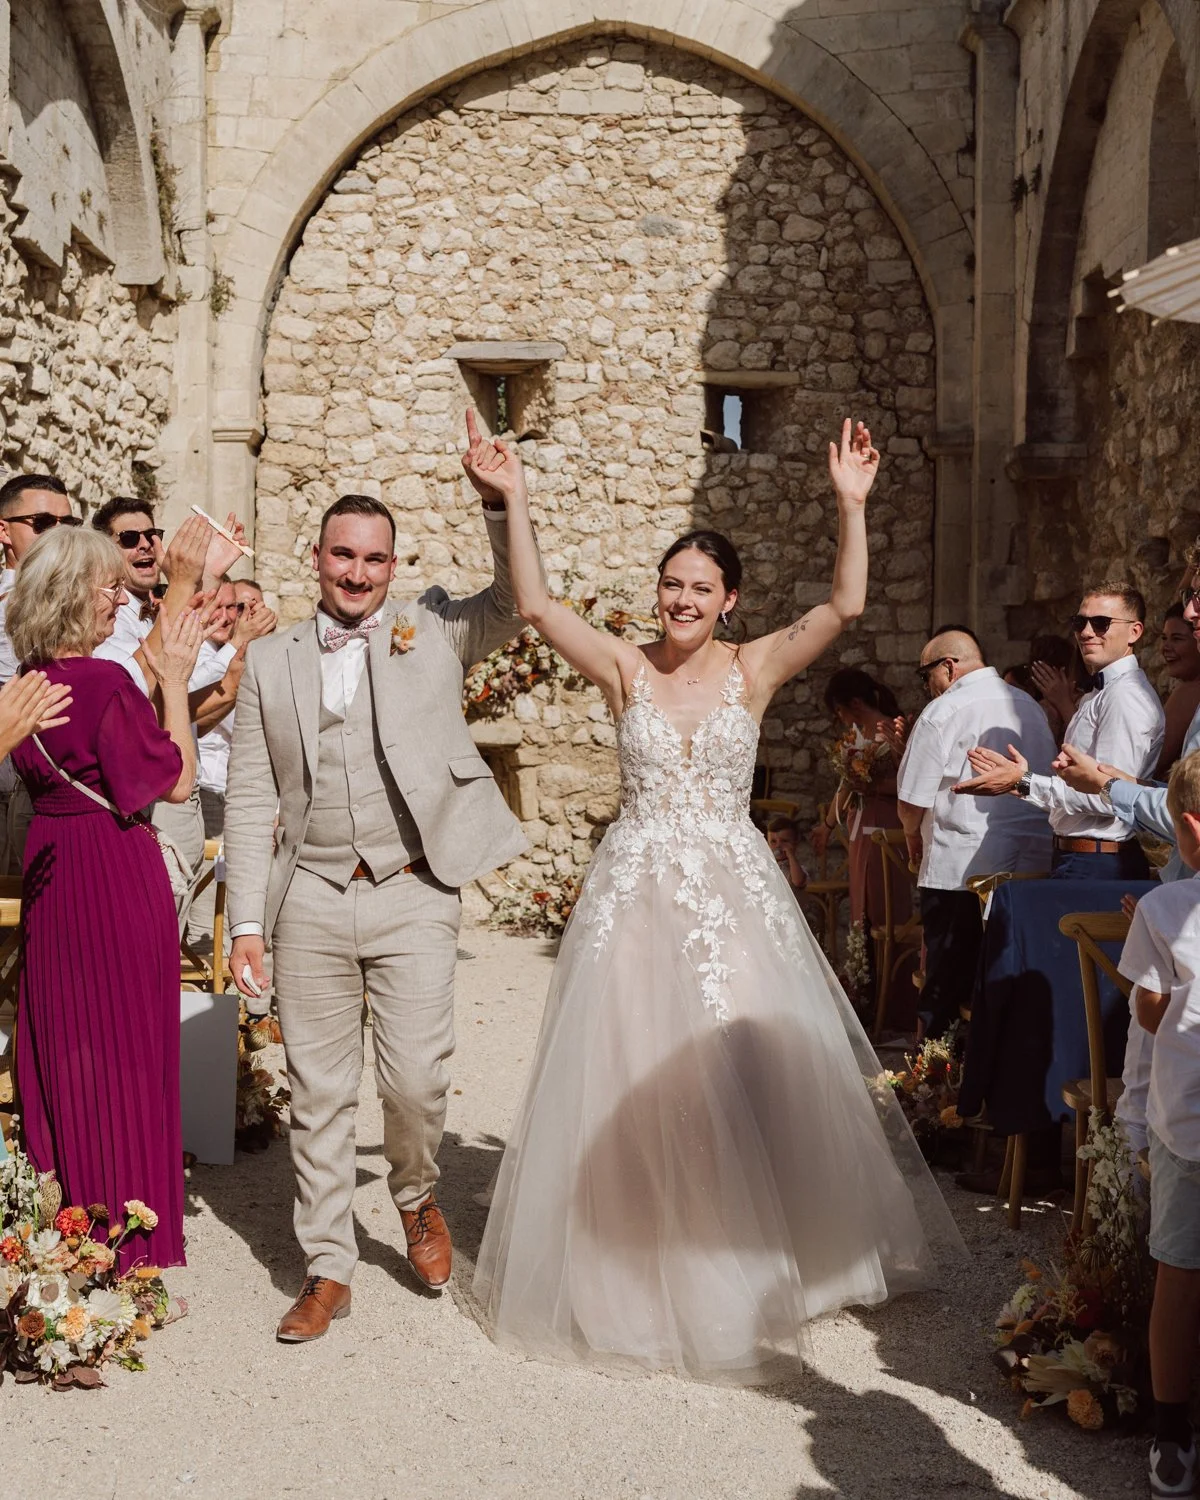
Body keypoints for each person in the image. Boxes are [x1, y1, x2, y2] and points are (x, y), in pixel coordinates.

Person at [471, 412, 962, 1384]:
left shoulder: (754, 668)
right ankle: (637, 1273)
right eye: (670, 585)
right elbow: (532, 605)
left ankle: (761, 1263)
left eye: (700, 588)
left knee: (745, 1072)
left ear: (728, 602)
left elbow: (845, 606)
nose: (681, 600)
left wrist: (851, 505)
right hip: (639, 889)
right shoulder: (621, 666)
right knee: (639, 1074)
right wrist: (513, 499)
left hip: (733, 893)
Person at [224, 482, 531, 1344]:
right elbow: (250, 797)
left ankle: (413, 1191)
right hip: (310, 895)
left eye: (372, 558)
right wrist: (246, 922)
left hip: (411, 885)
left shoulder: (432, 628)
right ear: (315, 559)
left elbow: (515, 601)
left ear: (393, 567)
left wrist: (502, 502)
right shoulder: (273, 659)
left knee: (416, 1076)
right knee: (317, 1094)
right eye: (341, 554)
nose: (356, 572)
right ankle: (328, 1267)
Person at [7, 527, 203, 1271]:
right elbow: (178, 781)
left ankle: (67, 1233)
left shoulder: (24, 684)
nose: (121, 598)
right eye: (109, 586)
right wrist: (177, 682)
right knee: (129, 1054)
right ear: (74, 593)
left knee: (63, 1047)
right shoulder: (106, 684)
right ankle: (130, 1242)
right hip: (115, 870)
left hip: (51, 871)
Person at [895, 629, 1056, 1040]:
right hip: (1031, 871)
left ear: (948, 667)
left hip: (961, 870)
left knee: (947, 983)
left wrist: (911, 834)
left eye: (924, 674)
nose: (925, 685)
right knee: (1007, 985)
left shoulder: (943, 711)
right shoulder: (1031, 708)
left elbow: (911, 798)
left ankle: (936, 1083)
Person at [1117, 748, 1200, 1498]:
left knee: (1181, 1269)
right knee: (1179, 1270)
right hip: (1191, 1127)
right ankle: (1173, 1422)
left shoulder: (1163, 909)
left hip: (1187, 1123)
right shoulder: (1164, 910)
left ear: (1186, 832)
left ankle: (1175, 1426)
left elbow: (1145, 1013)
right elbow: (1147, 1011)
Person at [956, 583, 1165, 880]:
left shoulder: (1125, 697)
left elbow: (1108, 794)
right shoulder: (1102, 692)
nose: (1087, 632)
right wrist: (1021, 783)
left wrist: (1025, 782)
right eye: (1080, 622)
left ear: (1135, 632)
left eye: (1101, 623)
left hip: (1098, 862)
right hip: (1080, 856)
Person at [814, 668, 909, 1014]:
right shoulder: (856, 735)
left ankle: (890, 993)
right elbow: (845, 785)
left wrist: (871, 786)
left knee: (882, 900)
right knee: (861, 903)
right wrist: (826, 825)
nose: (839, 719)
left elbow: (909, 783)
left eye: (839, 710)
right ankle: (863, 986)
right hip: (860, 820)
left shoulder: (894, 730)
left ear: (854, 703)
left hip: (885, 822)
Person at [0, 474, 82, 872]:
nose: (58, 536)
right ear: (4, 531)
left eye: (68, 525)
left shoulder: (80, 599)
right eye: (43, 524)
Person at [1157, 603, 1200, 776]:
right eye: (1164, 638)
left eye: (1177, 639)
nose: (1165, 648)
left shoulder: (1191, 691)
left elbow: (1152, 762)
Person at [765, 814, 807, 895]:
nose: (778, 846)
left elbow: (798, 882)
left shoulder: (795, 868)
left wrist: (791, 856)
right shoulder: (767, 864)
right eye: (773, 841)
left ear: (795, 843)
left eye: (784, 841)